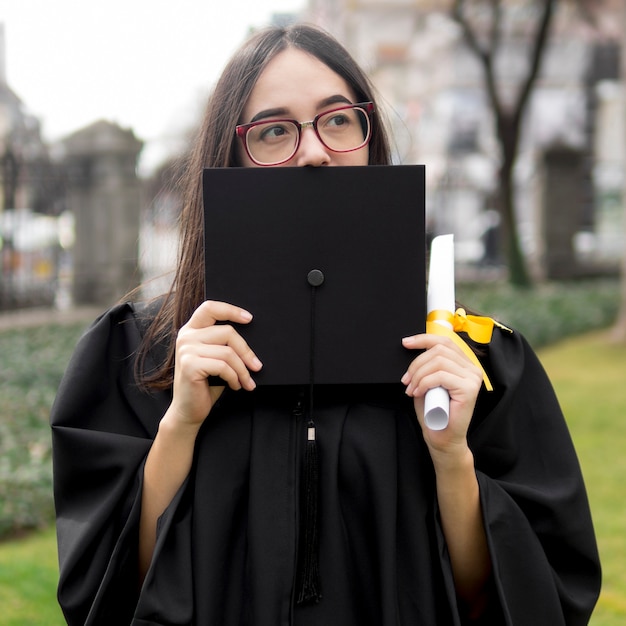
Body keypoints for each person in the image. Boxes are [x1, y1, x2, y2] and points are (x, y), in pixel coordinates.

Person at [50, 23, 601, 626]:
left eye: (339, 119)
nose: (314, 150)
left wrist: (451, 457)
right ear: (230, 154)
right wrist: (179, 425)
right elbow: (114, 597)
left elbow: (500, 603)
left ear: (370, 136)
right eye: (275, 130)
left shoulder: (474, 364)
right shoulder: (139, 355)